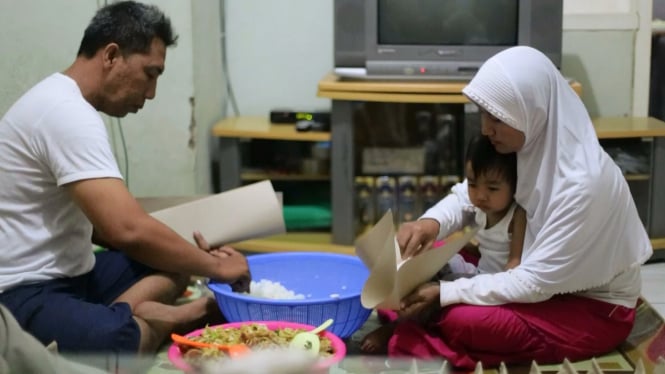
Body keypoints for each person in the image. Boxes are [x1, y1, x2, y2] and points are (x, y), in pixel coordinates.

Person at [373, 46, 653, 369]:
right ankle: (423, 315)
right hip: (527, 274)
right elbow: (469, 194)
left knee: (461, 320)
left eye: (497, 118)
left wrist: (446, 292)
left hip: (590, 306)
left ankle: (424, 326)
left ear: (531, 110)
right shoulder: (528, 141)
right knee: (425, 254)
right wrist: (430, 223)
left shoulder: (582, 185)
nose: (485, 129)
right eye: (483, 114)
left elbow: (533, 283)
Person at [0, 1, 250, 356]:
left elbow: (103, 227)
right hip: (22, 292)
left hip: (75, 275)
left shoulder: (68, 105)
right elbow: (125, 229)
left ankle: (130, 313)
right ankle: (176, 318)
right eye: (150, 74)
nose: (150, 94)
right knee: (116, 342)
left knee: (173, 259)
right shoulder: (65, 113)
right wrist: (217, 267)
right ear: (111, 55)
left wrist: (189, 255)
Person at [361, 133, 526, 353]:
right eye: (473, 184)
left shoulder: (517, 216)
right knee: (424, 260)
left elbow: (513, 268)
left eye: (493, 188)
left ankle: (397, 326)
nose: (480, 195)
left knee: (437, 300)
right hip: (475, 271)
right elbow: (465, 220)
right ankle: (401, 301)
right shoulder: (480, 206)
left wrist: (452, 288)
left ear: (515, 186)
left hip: (490, 285)